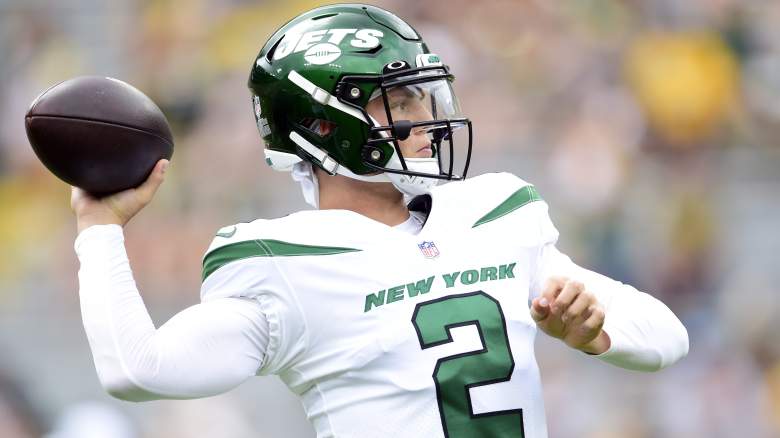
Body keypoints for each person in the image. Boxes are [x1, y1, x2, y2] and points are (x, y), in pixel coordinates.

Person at [71, 4, 689, 437]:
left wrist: (595, 331)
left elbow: (667, 337)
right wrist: (99, 229)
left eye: (424, 96)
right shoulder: (285, 264)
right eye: (397, 101)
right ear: (325, 126)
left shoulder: (493, 213)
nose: (425, 119)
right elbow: (137, 369)